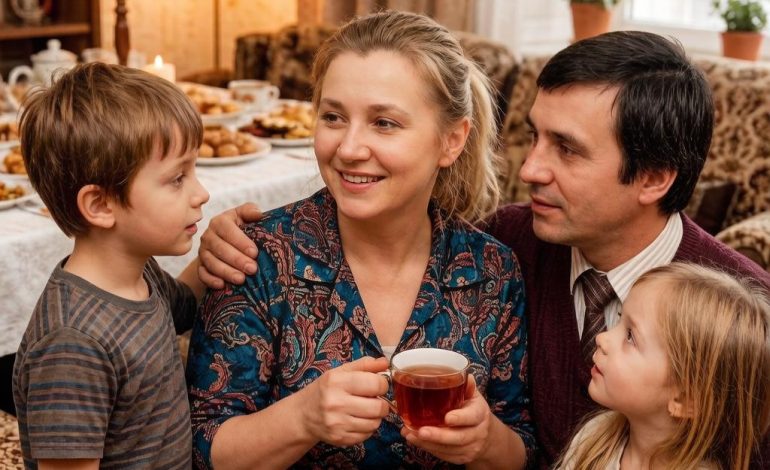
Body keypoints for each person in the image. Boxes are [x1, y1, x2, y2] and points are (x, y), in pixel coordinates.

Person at [195, 31, 770, 467]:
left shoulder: (743, 323)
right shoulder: (512, 242)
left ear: (654, 178)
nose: (529, 168)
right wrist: (201, 266)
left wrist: (488, 443)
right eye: (534, 135)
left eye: (567, 149)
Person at [186, 10, 533, 470]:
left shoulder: (492, 270)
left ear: (451, 140)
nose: (348, 148)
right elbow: (203, 447)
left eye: (384, 123)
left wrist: (487, 442)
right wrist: (302, 419)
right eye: (333, 117)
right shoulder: (257, 256)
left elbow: (522, 446)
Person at [12, 62, 210, 469]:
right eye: (178, 178)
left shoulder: (141, 273)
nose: (201, 193)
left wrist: (216, 247)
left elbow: (186, 306)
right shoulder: (72, 345)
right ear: (101, 205)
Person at [557, 262, 770, 470]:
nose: (601, 338)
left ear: (684, 399)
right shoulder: (592, 440)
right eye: (621, 318)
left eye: (630, 336)